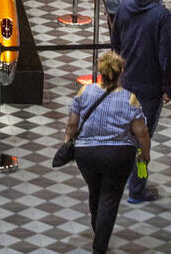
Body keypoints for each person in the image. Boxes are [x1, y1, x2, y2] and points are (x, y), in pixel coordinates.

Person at [62, 51, 151, 254]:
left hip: (86, 154)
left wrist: (67, 142)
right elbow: (142, 132)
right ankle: (100, 246)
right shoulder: (130, 99)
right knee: (110, 198)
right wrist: (145, 155)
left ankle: (98, 232)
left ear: (100, 71)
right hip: (118, 156)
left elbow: (72, 124)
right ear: (121, 73)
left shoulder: (84, 92)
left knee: (95, 191)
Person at [111, 0, 171, 205]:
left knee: (125, 134)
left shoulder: (124, 7)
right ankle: (137, 187)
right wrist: (170, 87)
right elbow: (167, 55)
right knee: (142, 141)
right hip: (149, 89)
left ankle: (120, 179)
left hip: (126, 82)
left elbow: (115, 41)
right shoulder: (161, 16)